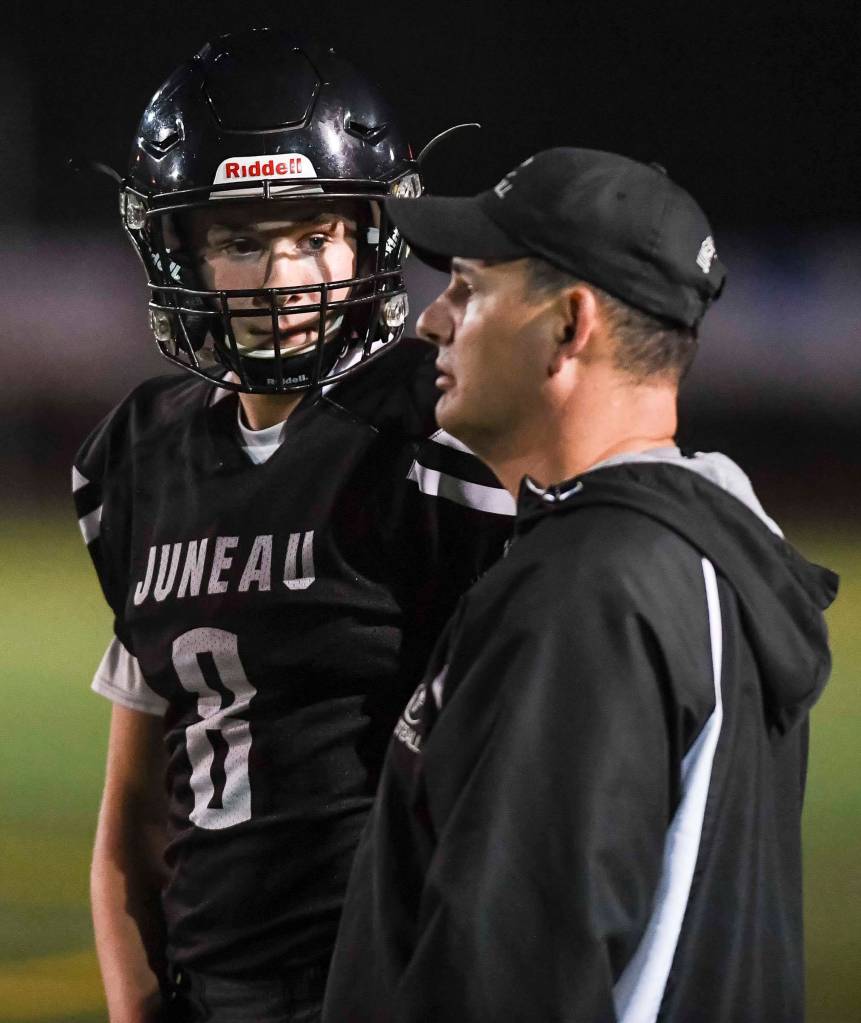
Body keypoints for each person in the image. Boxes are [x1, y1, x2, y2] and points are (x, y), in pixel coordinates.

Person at [322, 148, 839, 1022]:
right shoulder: (696, 553)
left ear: (569, 326)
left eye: (469, 289)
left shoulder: (585, 591)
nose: (429, 322)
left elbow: (506, 977)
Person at [72, 30, 514, 1023]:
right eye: (239, 241)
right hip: (209, 989)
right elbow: (133, 818)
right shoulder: (137, 461)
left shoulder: (438, 436)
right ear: (176, 248)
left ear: (371, 235)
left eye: (314, 236)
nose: (281, 279)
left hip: (393, 981)